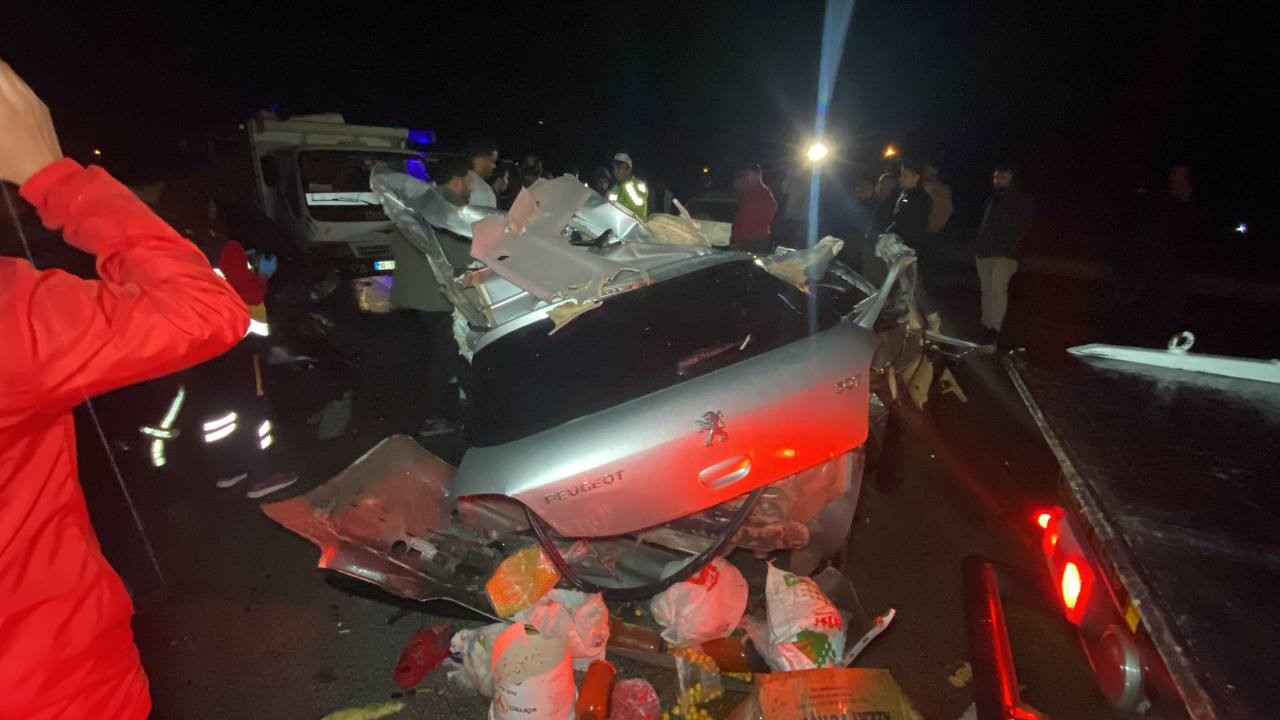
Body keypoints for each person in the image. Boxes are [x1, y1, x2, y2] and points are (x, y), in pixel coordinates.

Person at [0, 62, 249, 720]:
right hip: (56, 690)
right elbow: (205, 309)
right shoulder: (15, 315)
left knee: (200, 420)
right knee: (199, 421)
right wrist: (54, 177)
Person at [389, 156, 472, 437]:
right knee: (451, 354)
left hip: (417, 294)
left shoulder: (417, 203)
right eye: (469, 181)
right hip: (436, 296)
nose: (471, 187)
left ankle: (466, 407)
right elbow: (464, 256)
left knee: (446, 354)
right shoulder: (449, 210)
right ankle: (432, 417)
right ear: (457, 181)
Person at [974, 162, 1034, 344]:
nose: (997, 181)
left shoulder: (1021, 200)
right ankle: (986, 325)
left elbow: (1022, 229)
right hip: (985, 252)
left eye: (1002, 177)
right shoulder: (993, 199)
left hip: (1004, 254)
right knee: (986, 291)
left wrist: (1009, 247)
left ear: (1012, 178)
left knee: (998, 291)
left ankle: (996, 328)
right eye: (995, 177)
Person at [730, 162, 778, 253]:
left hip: (755, 241)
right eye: (747, 175)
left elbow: (771, 211)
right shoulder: (746, 192)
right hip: (743, 239)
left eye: (749, 174)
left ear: (757, 175)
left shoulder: (763, 193)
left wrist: (757, 227)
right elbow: (740, 216)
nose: (747, 177)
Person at [607, 152, 649, 219]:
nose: (616, 171)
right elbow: (612, 208)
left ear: (628, 170)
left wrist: (626, 185)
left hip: (636, 223)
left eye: (619, 168)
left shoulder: (639, 185)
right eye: (614, 168)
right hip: (619, 222)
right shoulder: (615, 188)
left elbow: (637, 204)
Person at [465, 139, 499, 208]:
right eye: (492, 161)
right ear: (480, 160)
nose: (494, 166)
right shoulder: (485, 192)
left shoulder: (451, 179)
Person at [921, 163, 953, 235]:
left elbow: (945, 209)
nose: (924, 172)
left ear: (935, 171)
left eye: (927, 169)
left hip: (927, 231)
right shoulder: (920, 186)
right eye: (924, 169)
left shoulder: (940, 189)